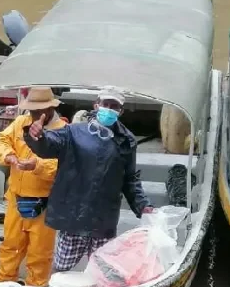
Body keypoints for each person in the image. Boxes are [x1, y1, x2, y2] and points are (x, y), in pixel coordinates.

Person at [24, 85, 154, 273]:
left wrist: (143, 206)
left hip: (103, 221)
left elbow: (130, 179)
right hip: (72, 219)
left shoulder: (127, 141)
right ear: (96, 105)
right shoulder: (73, 132)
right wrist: (37, 137)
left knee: (102, 273)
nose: (109, 109)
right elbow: (49, 145)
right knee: (61, 269)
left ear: (121, 111)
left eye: (114, 106)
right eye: (105, 104)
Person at [0, 87, 67, 286]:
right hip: (15, 201)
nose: (33, 115)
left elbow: (62, 168)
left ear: (50, 109)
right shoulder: (20, 123)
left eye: (38, 111)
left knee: (40, 256)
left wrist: (37, 165)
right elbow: (0, 140)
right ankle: (3, 286)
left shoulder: (63, 132)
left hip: (44, 207)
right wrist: (8, 155)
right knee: (9, 248)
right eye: (31, 111)